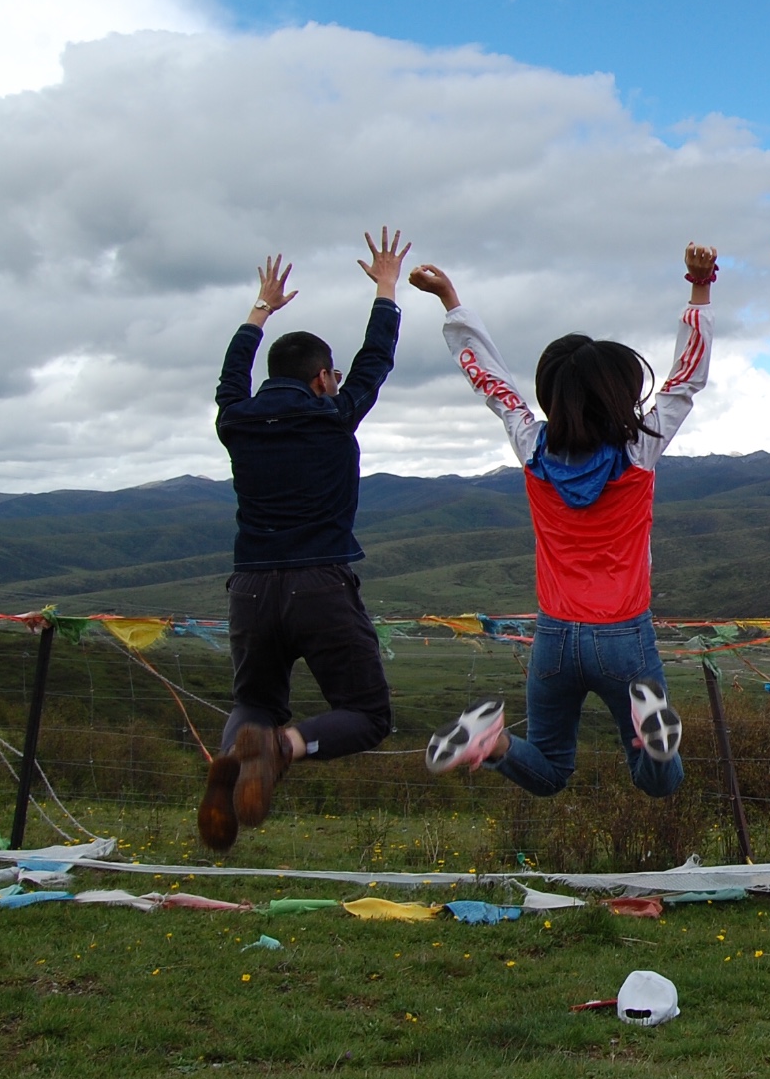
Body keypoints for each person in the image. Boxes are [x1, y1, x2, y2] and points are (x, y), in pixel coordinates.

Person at [404, 244, 714, 799]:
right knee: (660, 784)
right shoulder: (639, 449)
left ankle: (493, 745)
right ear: (618, 395)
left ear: (550, 393)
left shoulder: (532, 447)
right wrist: (699, 285)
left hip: (553, 637)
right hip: (624, 636)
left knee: (548, 769)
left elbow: (493, 385)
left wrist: (452, 303)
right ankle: (652, 742)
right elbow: (685, 379)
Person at [202, 229, 409, 852]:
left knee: (254, 701)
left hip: (252, 586)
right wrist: (385, 289)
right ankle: (284, 749)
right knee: (368, 715)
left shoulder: (235, 421)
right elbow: (378, 360)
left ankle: (233, 762)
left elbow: (230, 378)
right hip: (321, 582)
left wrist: (258, 311)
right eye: (334, 374)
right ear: (323, 377)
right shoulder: (334, 416)